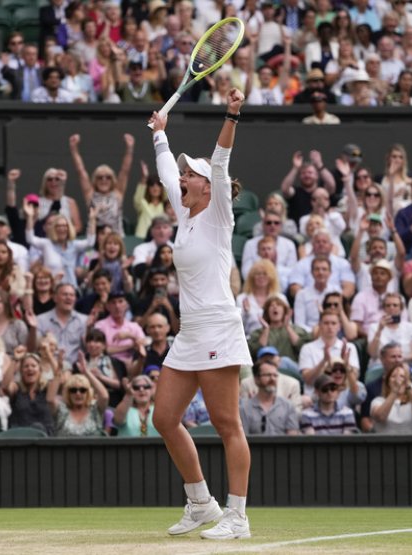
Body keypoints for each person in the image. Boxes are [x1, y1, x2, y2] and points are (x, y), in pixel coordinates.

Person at [147, 89, 253, 540]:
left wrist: (232, 113)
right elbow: (167, 172)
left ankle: (238, 516)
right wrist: (159, 138)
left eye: (194, 174)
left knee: (228, 424)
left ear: (209, 187)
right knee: (164, 419)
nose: (185, 178)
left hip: (218, 328)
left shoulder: (217, 214)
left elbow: (222, 158)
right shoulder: (185, 213)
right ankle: (200, 502)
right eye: (187, 174)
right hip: (189, 332)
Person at [69, 132, 134, 235]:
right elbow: (80, 171)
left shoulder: (118, 193)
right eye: (100, 177)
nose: (104, 180)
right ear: (95, 180)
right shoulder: (90, 194)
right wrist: (74, 149)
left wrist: (129, 148)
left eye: (108, 177)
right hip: (94, 240)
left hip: (116, 240)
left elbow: (125, 171)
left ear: (112, 180)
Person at [239, 359, 300, 437]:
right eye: (268, 375)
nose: (272, 379)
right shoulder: (244, 408)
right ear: (256, 379)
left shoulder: (288, 406)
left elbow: (293, 439)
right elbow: (243, 438)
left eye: (275, 375)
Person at [2, 348, 55, 435]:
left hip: (44, 438)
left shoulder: (47, 388)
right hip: (20, 436)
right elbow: (4, 386)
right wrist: (15, 360)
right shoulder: (17, 388)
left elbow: (58, 376)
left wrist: (50, 357)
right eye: (26, 366)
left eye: (33, 366)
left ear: (40, 370)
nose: (30, 369)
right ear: (21, 372)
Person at [370, 363, 412, 434]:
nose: (398, 380)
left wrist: (407, 384)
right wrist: (394, 391)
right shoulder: (378, 401)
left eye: (402, 376)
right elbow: (381, 417)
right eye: (393, 376)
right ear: (388, 382)